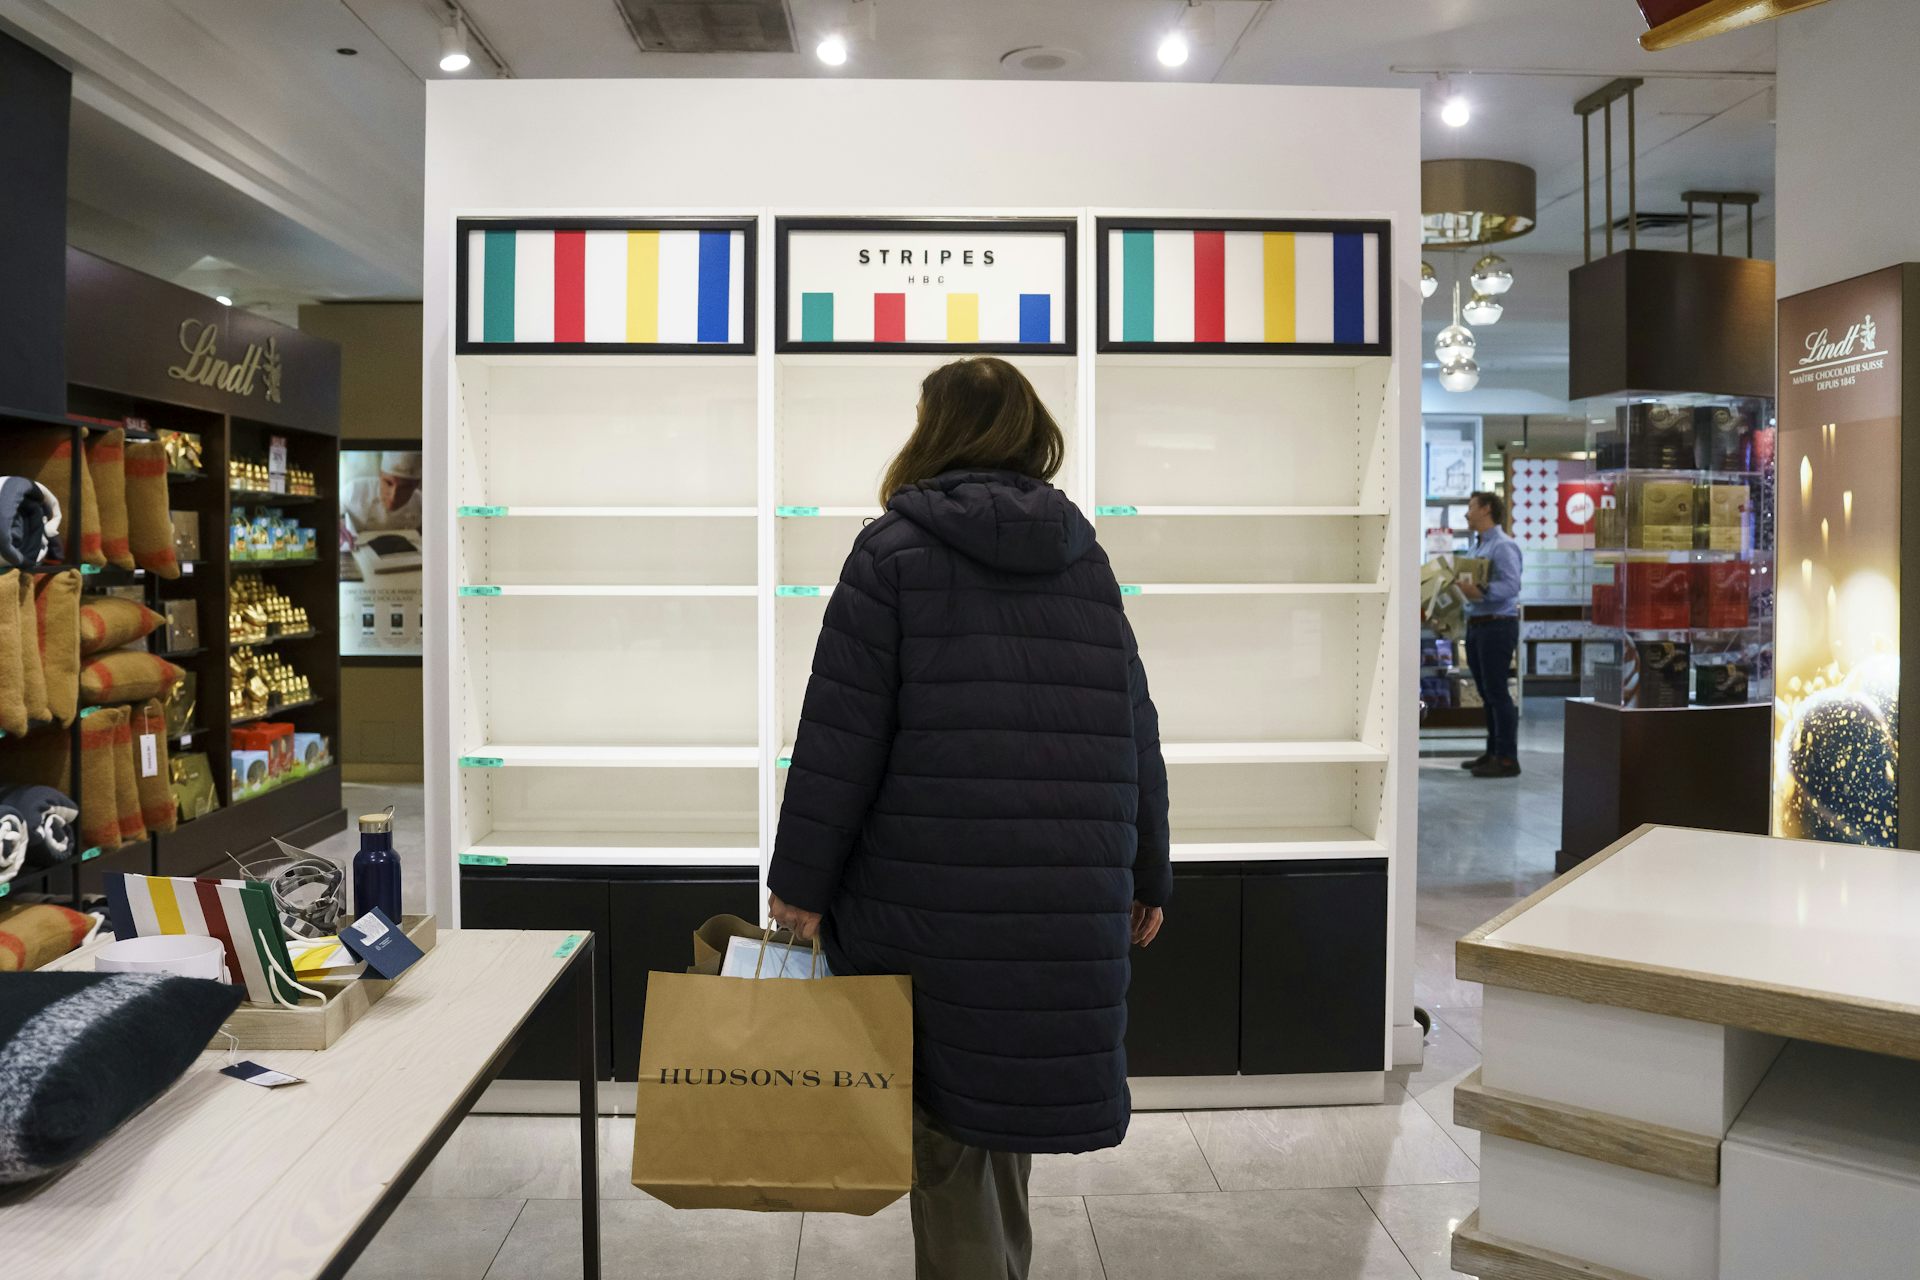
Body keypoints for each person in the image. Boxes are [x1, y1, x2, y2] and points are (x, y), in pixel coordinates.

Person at [765, 356, 1171, 1280]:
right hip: (1064, 894)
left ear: (933, 431)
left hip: (930, 893)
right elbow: (1134, 728)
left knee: (944, 1128)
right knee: (1000, 1112)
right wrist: (1150, 871)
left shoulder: (892, 553)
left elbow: (840, 739)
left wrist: (800, 888)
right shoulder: (1084, 556)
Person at [1457, 490, 1524, 778]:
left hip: (1497, 625)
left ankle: (1507, 758)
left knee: (1497, 692)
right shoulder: (1478, 547)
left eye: (1471, 507)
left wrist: (1481, 592)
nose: (1467, 513)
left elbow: (1511, 586)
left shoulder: (1503, 546)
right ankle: (1493, 751)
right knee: (1487, 692)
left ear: (1486, 509)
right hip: (1478, 625)